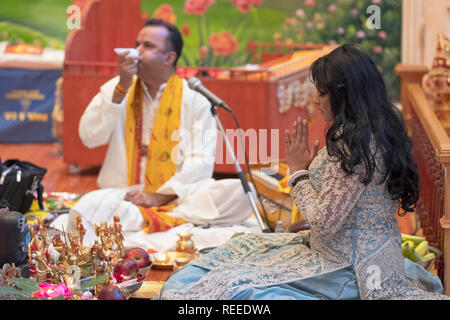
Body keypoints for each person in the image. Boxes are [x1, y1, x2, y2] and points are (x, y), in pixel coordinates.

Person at [159, 44, 448, 300]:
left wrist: (298, 173)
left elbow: (324, 221)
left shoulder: (354, 145)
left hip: (350, 269)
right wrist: (312, 171)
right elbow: (349, 197)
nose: (315, 101)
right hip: (370, 256)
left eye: (321, 93)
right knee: (242, 247)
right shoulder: (380, 126)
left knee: (230, 285)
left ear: (342, 96)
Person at [63, 18, 255, 250]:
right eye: (137, 44)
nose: (136, 52)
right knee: (92, 204)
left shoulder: (195, 100)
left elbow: (200, 162)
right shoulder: (118, 87)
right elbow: (89, 136)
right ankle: (161, 223)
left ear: (169, 57)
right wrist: (121, 88)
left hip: (179, 198)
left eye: (147, 46)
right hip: (125, 196)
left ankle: (151, 221)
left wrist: (160, 196)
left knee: (241, 193)